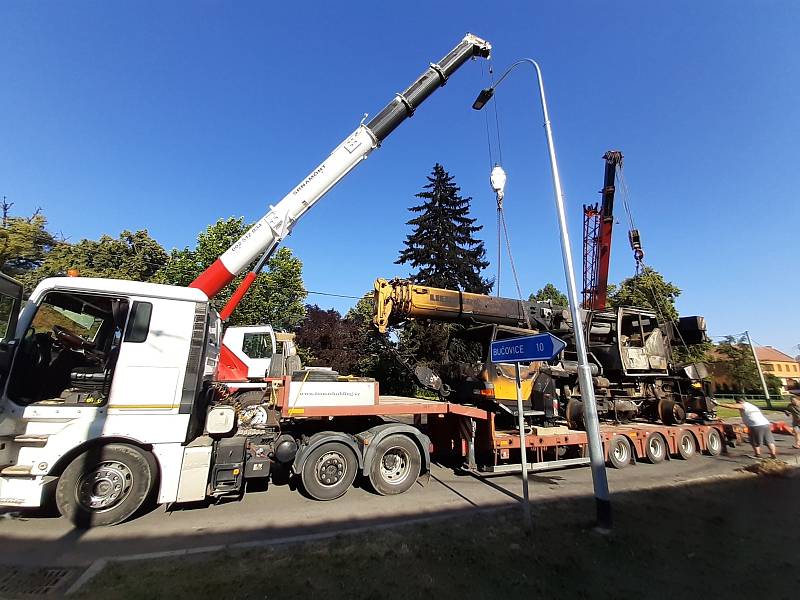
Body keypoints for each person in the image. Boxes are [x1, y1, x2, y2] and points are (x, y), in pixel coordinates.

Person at [713, 398, 777, 459]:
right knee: (769, 440)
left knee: (754, 441)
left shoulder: (743, 405)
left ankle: (758, 454)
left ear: (739, 402)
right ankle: (773, 455)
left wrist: (718, 404)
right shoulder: (751, 405)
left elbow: (732, 406)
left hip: (755, 425)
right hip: (765, 424)